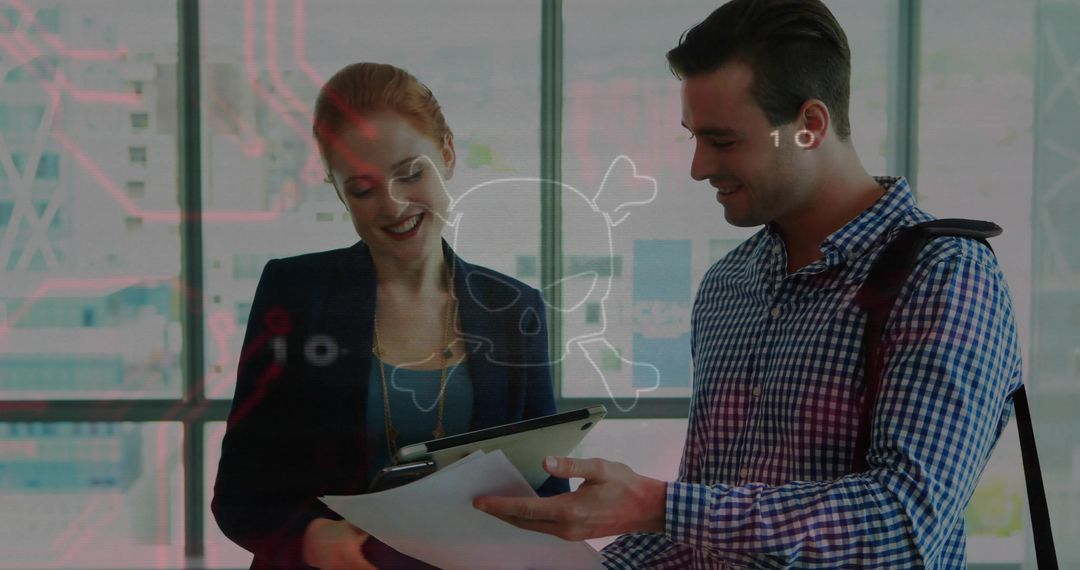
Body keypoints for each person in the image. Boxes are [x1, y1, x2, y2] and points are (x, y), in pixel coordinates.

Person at [473, 0, 1023, 568]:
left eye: (725, 141)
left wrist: (659, 505)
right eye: (693, 137)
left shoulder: (945, 275)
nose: (698, 167)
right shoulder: (728, 285)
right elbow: (703, 519)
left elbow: (906, 521)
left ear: (809, 127)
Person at [212, 62, 567, 570]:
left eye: (410, 173)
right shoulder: (296, 295)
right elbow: (238, 494)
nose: (394, 204)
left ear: (446, 153)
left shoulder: (515, 309)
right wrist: (313, 539)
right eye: (363, 188)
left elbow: (547, 490)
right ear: (339, 192)